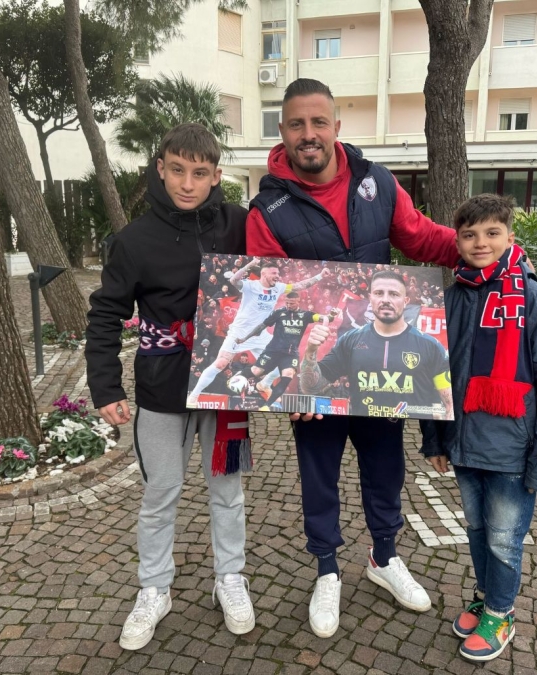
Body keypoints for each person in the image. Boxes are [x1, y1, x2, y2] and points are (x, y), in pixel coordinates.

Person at [246, 77, 460, 638]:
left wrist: (480, 251)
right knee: (318, 473)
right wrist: (289, 382)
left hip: (380, 364)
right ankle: (326, 570)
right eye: (297, 124)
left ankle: (384, 557)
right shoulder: (266, 209)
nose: (308, 134)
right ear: (282, 131)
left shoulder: (376, 183)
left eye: (319, 122)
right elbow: (271, 301)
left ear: (336, 127)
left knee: (385, 468)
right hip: (318, 368)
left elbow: (421, 237)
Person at [85, 124, 255, 650]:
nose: (187, 183)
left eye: (199, 173)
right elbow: (106, 313)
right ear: (160, 168)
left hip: (225, 386)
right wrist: (105, 386)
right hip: (162, 387)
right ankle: (154, 588)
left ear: (216, 175)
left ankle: (230, 577)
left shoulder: (239, 225)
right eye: (177, 170)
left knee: (227, 491)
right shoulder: (133, 241)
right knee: (160, 493)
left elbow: (281, 273)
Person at [420, 194, 537, 662]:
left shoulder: (533, 299)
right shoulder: (451, 299)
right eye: (469, 235)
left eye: (491, 233)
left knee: (504, 538)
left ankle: (501, 613)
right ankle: (485, 598)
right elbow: (434, 373)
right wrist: (435, 439)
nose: (480, 243)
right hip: (463, 443)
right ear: (458, 242)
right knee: (477, 529)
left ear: (509, 237)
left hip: (512, 448)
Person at [299, 271, 452, 420]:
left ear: (405, 301)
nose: (385, 299)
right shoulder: (350, 340)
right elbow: (311, 388)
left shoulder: (431, 346)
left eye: (394, 294)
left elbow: (450, 405)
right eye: (379, 293)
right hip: (364, 430)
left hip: (411, 431)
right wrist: (310, 350)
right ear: (370, 298)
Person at [188, 258, 328, 404]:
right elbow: (234, 280)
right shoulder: (250, 285)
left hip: (260, 335)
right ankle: (194, 396)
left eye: (278, 273)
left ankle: (264, 384)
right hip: (239, 333)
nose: (277, 276)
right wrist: (250, 264)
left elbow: (300, 285)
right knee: (220, 364)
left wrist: (320, 276)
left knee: (283, 364)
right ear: (264, 274)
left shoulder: (278, 287)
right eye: (274, 273)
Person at [232, 291, 339, 410]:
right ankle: (235, 379)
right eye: (287, 303)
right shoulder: (279, 312)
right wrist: (244, 338)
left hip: (290, 354)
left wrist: (331, 315)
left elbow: (325, 318)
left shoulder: (306, 315)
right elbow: (262, 326)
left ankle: (266, 406)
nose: (288, 305)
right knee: (256, 371)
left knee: (288, 375)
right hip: (273, 351)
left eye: (291, 303)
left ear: (298, 302)